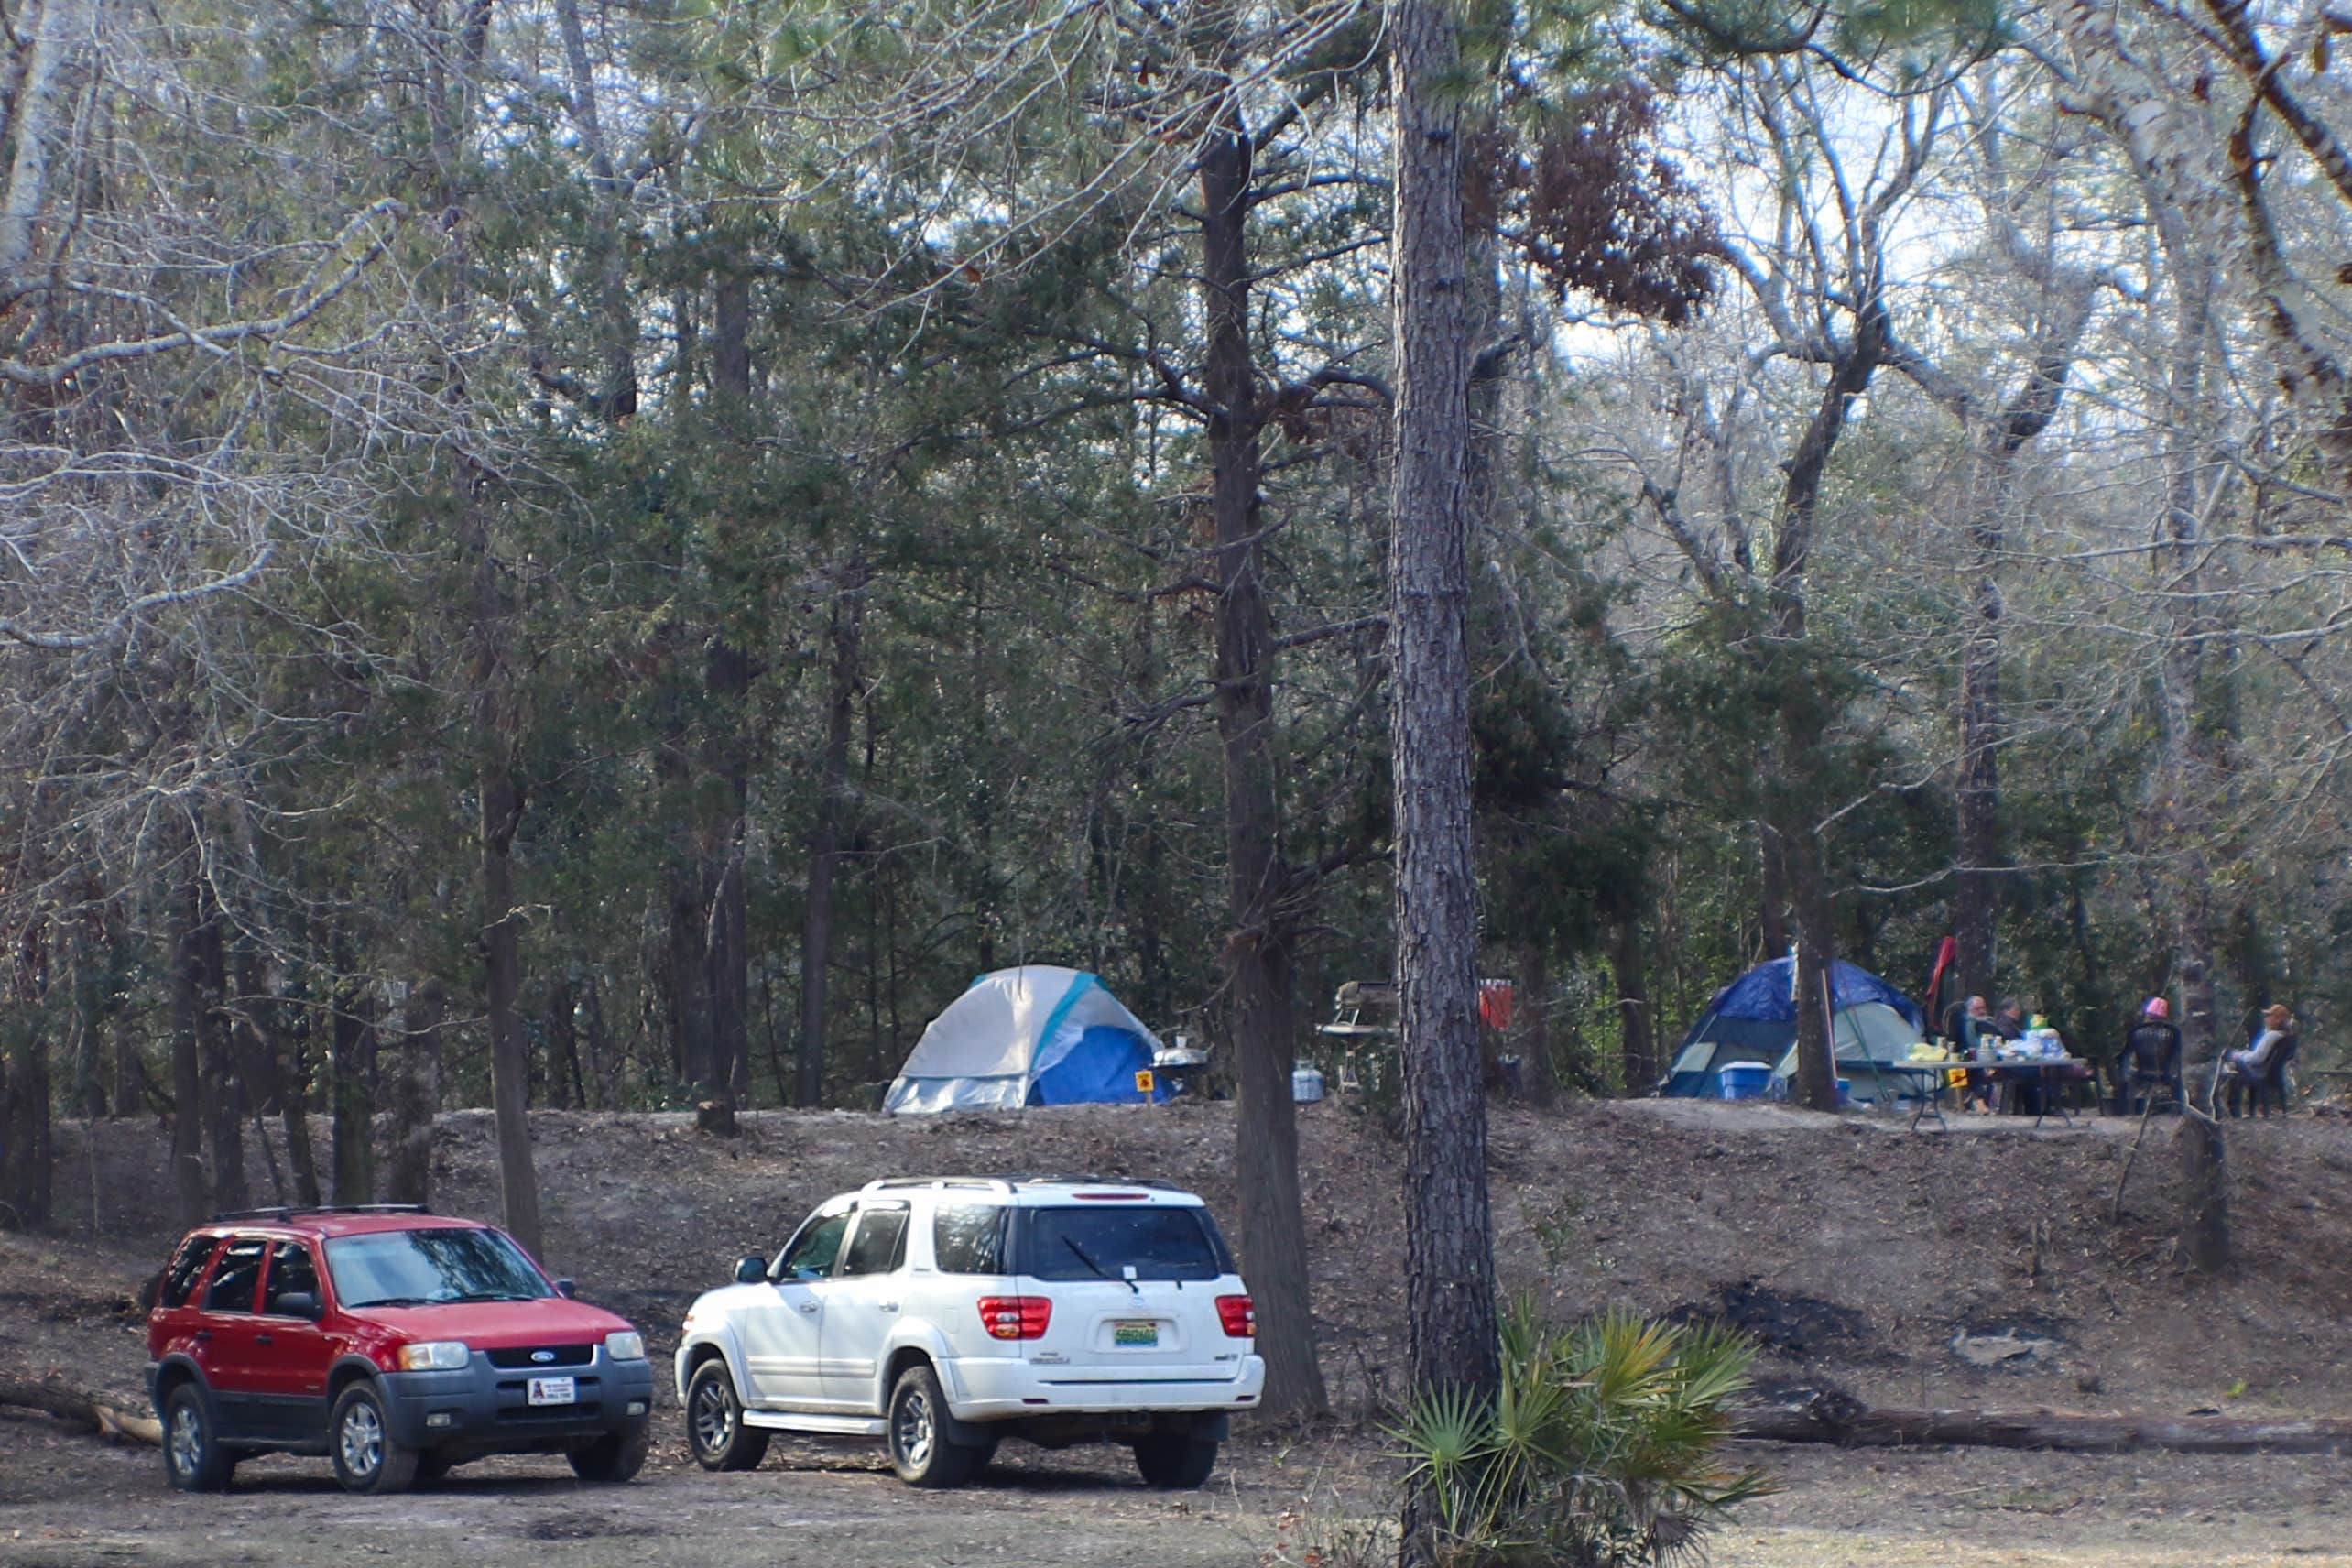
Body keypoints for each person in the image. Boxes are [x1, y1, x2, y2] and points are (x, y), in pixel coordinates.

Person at [2222, 1004, 2298, 1116]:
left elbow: (2257, 1059)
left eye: (2269, 1015)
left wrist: (2238, 1055)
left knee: (2233, 1065)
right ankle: (2247, 1112)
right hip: (2274, 1074)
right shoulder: (2286, 1037)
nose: (2266, 1018)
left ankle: (2235, 1112)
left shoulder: (2272, 1036)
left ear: (2277, 1020)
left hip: (2259, 1073)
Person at [2118, 997, 2183, 1115]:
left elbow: (2127, 1053)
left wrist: (2126, 1073)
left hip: (2141, 1071)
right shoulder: (2174, 1031)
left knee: (2126, 1082)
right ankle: (2179, 1111)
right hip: (2167, 1072)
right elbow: (2177, 1054)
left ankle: (2126, 1111)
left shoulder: (2136, 1031)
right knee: (2179, 1082)